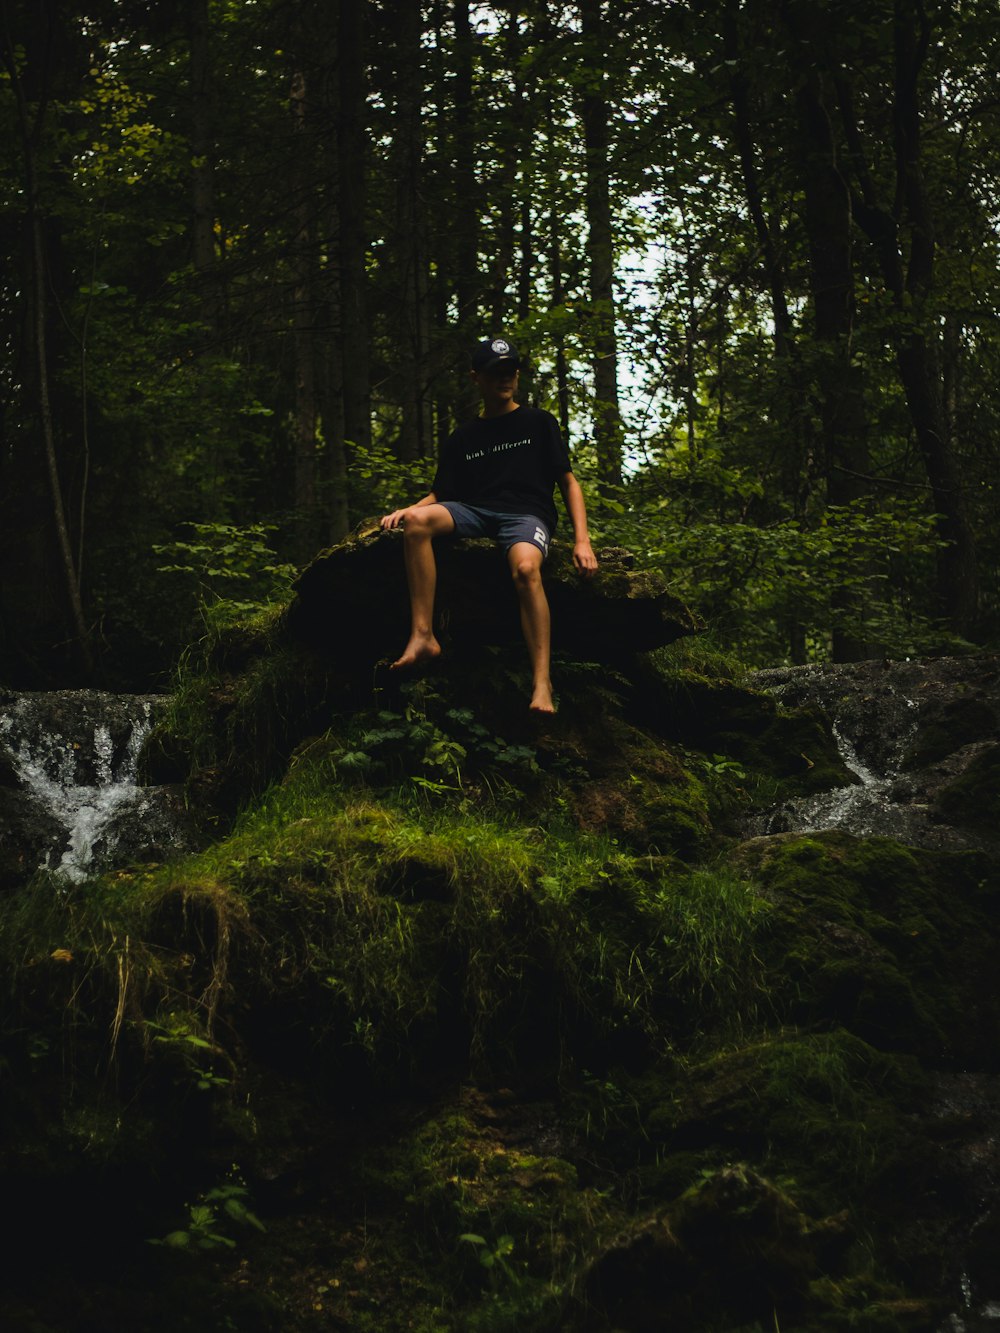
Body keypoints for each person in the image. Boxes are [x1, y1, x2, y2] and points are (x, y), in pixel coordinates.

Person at [380, 336, 599, 713]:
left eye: (511, 370)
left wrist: (583, 541)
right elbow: (440, 493)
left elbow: (568, 482)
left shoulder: (537, 422)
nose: (506, 378)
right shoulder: (463, 437)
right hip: (475, 511)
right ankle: (423, 636)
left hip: (526, 516)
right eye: (496, 372)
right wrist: (408, 509)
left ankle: (542, 684)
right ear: (476, 378)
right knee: (417, 523)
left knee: (527, 569)